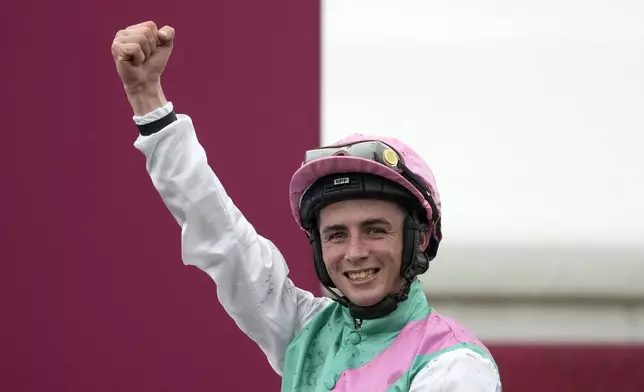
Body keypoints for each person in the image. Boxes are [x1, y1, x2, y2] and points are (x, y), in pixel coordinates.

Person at [111, 21, 502, 391]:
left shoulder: (454, 364)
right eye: (336, 235)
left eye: (375, 229)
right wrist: (148, 100)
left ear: (421, 238)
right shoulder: (305, 329)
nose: (354, 252)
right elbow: (223, 238)